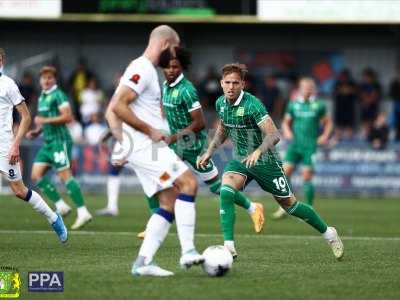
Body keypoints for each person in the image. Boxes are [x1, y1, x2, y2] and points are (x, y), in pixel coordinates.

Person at [197, 64, 343, 260]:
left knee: (290, 206)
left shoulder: (253, 105)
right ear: (221, 84)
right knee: (226, 190)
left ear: (242, 84)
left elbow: (274, 135)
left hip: (266, 161)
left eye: (235, 83)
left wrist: (258, 151)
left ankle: (329, 233)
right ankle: (229, 247)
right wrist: (209, 151)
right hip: (241, 160)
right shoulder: (221, 103)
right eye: (227, 83)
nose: (231, 87)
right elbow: (223, 129)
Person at [108, 25, 204, 277]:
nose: (177, 54)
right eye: (175, 47)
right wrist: (147, 131)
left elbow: (111, 109)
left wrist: (123, 143)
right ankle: (188, 251)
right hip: (147, 146)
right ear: (165, 44)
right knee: (189, 183)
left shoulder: (141, 68)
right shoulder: (143, 68)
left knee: (169, 201)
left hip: (141, 147)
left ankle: (142, 263)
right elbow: (118, 106)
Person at [0, 48, 67, 243]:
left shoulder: (8, 85)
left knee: (19, 191)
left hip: (5, 144)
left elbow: (26, 117)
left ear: (2, 60)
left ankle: (54, 218)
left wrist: (15, 145)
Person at [26, 66, 92, 230]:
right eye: (44, 78)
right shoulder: (43, 96)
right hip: (48, 142)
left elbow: (68, 116)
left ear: (54, 80)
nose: (46, 81)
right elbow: (46, 119)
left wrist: (44, 122)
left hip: (60, 141)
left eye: (50, 78)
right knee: (36, 175)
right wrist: (37, 131)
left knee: (65, 176)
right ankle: (61, 205)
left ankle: (83, 212)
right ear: (40, 80)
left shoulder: (58, 95)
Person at [273, 78, 333, 219]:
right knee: (285, 173)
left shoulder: (318, 105)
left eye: (309, 87)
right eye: (304, 87)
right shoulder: (293, 105)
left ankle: (310, 209)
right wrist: (287, 131)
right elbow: (286, 122)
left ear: (313, 90)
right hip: (295, 145)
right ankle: (286, 206)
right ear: (300, 89)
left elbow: (328, 123)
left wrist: (325, 136)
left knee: (306, 176)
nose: (307, 89)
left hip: (309, 146)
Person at [332, 69, 357, 140]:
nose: (343, 78)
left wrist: (346, 90)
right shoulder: (337, 84)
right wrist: (343, 90)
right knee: (338, 125)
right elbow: (334, 93)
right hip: (339, 108)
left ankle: (350, 140)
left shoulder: (352, 84)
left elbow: (355, 92)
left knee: (349, 125)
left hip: (349, 109)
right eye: (342, 76)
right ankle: (338, 139)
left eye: (344, 77)